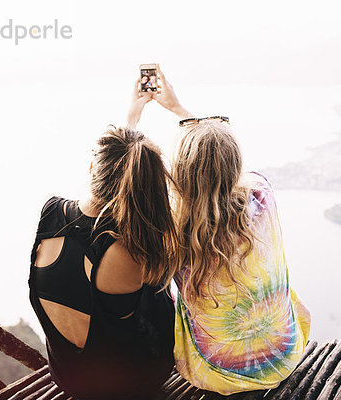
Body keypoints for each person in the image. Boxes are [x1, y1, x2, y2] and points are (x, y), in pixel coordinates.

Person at [152, 67, 311, 395]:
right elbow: (216, 157)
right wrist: (184, 112)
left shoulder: (172, 229)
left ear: (179, 175)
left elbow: (204, 167)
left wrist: (137, 113)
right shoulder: (261, 196)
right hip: (281, 356)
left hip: (218, 373)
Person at [28, 82, 176, 400]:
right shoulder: (126, 252)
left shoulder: (50, 212)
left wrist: (131, 122)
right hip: (123, 388)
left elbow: (113, 179)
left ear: (92, 166)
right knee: (165, 293)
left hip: (67, 374)